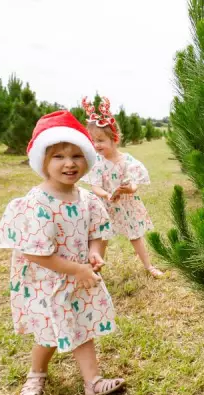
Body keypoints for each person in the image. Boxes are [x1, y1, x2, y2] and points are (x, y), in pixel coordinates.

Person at [0, 111, 126, 395]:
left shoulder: (87, 199)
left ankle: (93, 382)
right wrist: (76, 269)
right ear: (43, 162)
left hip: (76, 279)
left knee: (81, 328)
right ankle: (36, 373)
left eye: (77, 155)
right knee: (48, 335)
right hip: (46, 281)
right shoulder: (36, 203)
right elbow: (35, 253)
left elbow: (97, 230)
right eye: (58, 156)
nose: (69, 163)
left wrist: (94, 253)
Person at [79, 97, 164, 278]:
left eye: (100, 140)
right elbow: (95, 187)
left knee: (135, 236)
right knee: (101, 238)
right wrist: (107, 195)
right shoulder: (97, 163)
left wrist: (130, 189)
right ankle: (95, 270)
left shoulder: (127, 161)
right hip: (106, 206)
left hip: (126, 206)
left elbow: (134, 184)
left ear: (114, 139)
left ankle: (149, 266)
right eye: (93, 140)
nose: (96, 145)